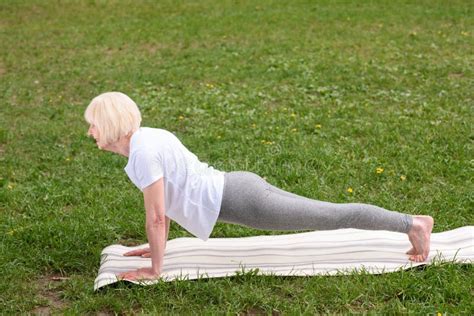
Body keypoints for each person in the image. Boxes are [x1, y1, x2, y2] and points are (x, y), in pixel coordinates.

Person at [85, 91, 434, 281]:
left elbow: (158, 216)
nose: (90, 133)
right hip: (240, 188)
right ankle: (410, 222)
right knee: (330, 213)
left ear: (109, 124)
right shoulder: (148, 140)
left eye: (93, 125)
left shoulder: (143, 153)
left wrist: (155, 269)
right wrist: (155, 245)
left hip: (244, 200)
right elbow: (174, 198)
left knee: (331, 215)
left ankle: (413, 223)